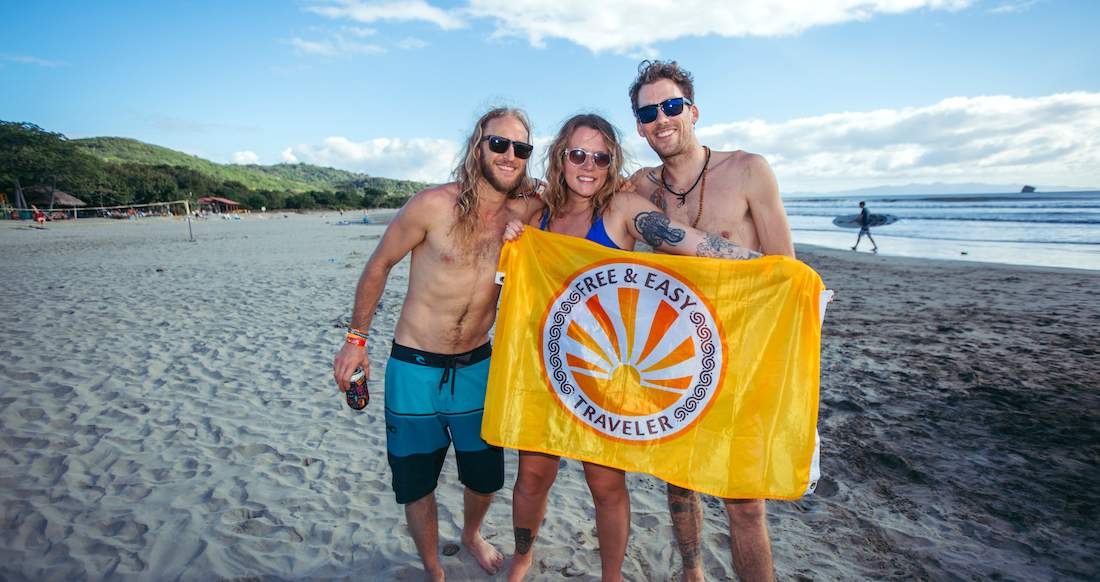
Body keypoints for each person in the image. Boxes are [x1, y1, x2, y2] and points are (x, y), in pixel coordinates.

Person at [502, 113, 761, 582]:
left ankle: (612, 576)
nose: (588, 165)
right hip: (541, 371)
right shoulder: (536, 214)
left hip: (599, 378)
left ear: (611, 163)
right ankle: (522, 556)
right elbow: (486, 218)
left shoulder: (621, 208)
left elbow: (686, 242)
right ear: (560, 158)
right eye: (578, 154)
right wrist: (510, 233)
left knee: (606, 485)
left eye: (600, 157)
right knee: (532, 479)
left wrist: (765, 268)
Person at [332, 107, 543, 581]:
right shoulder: (431, 206)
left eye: (521, 148)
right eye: (499, 144)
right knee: (415, 482)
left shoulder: (528, 209)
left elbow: (583, 195)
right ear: (477, 146)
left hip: (476, 366)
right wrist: (355, 340)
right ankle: (433, 567)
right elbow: (379, 264)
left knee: (485, 478)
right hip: (415, 368)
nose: (510, 155)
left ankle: (471, 534)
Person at [626, 60, 795, 582]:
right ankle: (692, 571)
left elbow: (783, 270)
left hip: (742, 361)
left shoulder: (748, 170)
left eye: (672, 106)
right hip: (674, 364)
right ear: (639, 125)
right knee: (679, 483)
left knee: (745, 504)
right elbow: (605, 256)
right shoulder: (639, 185)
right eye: (649, 111)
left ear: (692, 111)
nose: (662, 118)